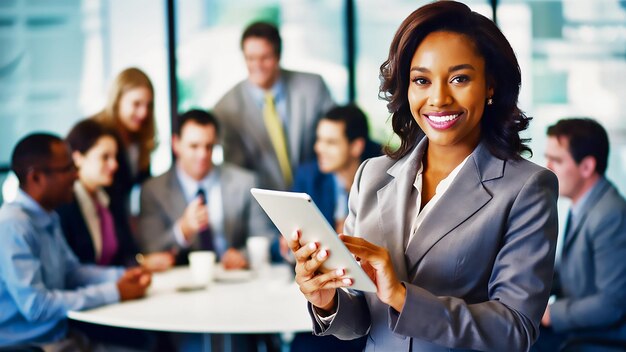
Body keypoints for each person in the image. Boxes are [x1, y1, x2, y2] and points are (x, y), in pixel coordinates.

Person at [286, 2, 559, 351]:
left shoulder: (526, 188)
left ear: (490, 85)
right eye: (421, 80)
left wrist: (402, 296)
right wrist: (327, 300)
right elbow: (360, 322)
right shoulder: (372, 175)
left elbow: (515, 331)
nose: (439, 98)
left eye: (460, 78)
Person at [0, 133, 151, 349]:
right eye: (68, 169)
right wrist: (114, 292)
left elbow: (71, 273)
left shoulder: (47, 216)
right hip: (29, 345)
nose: (76, 176)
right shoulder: (13, 225)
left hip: (61, 338)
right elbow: (37, 307)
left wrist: (121, 275)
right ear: (35, 178)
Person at [533, 118, 626, 351]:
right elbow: (567, 271)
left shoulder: (610, 215)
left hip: (601, 339)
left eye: (556, 160)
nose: (547, 167)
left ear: (586, 167)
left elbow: (612, 304)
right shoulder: (586, 205)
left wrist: (550, 314)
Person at [138, 109, 273, 268]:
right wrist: (183, 230)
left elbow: (265, 238)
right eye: (194, 146)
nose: (203, 154)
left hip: (235, 278)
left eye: (209, 146)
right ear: (176, 144)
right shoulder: (153, 190)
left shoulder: (245, 183)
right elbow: (149, 250)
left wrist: (242, 256)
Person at [213, 21, 335, 191]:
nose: (257, 66)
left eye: (265, 58)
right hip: (262, 203)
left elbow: (338, 141)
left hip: (319, 193)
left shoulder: (313, 87)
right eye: (250, 58)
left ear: (278, 56)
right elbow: (237, 173)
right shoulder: (225, 109)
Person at [57, 119, 173, 271]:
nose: (114, 165)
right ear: (78, 157)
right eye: (105, 157)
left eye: (115, 157)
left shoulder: (107, 201)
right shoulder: (65, 205)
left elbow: (122, 256)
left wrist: (141, 262)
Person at [293, 105, 382, 233]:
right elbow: (279, 244)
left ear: (356, 147)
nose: (318, 148)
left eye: (330, 142)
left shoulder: (381, 184)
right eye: (319, 139)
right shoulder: (307, 177)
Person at [92, 67, 157, 212]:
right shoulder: (96, 133)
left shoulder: (139, 140)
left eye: (148, 105)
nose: (143, 113)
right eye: (136, 104)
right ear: (117, 100)